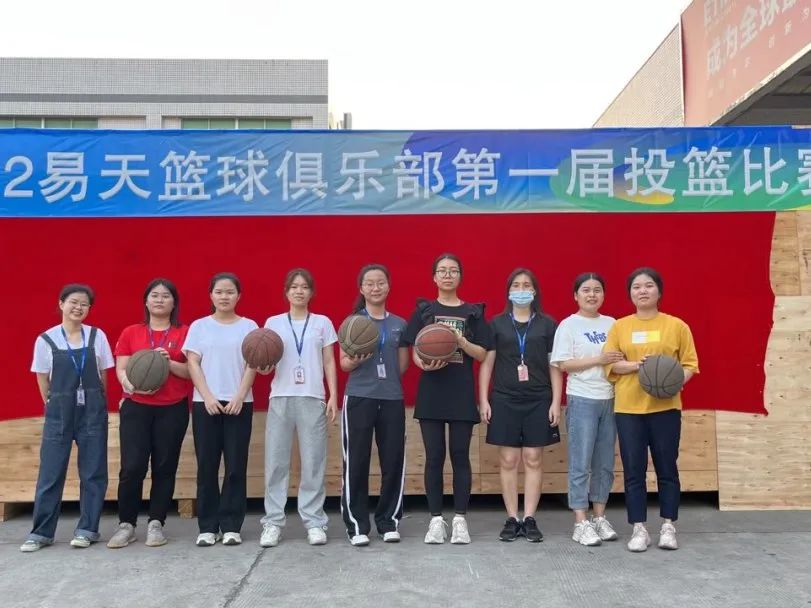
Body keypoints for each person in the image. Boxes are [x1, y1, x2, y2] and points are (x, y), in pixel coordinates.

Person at [603, 267, 699, 552]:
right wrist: (638, 366)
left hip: (665, 408)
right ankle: (639, 528)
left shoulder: (677, 326)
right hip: (629, 409)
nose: (642, 291)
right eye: (636, 287)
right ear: (630, 294)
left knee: (667, 467)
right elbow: (611, 364)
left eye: (648, 286)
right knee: (634, 470)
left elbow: (690, 365)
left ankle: (668, 525)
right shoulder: (620, 327)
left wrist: (672, 382)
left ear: (659, 291)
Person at [402, 253, 490, 545]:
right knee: (434, 456)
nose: (448, 275)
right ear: (434, 277)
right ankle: (436, 520)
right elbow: (414, 348)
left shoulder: (472, 312)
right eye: (442, 271)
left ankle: (461, 519)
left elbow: (483, 353)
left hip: (461, 391)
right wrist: (422, 363)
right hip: (432, 391)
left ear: (460, 276)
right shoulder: (425, 311)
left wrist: (462, 342)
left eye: (453, 270)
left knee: (460, 456)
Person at [21, 284, 114, 552]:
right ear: (61, 304)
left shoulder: (97, 336)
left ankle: (87, 530)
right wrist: (55, 406)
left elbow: (103, 375)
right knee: (50, 473)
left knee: (93, 472)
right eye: (73, 302)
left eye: (84, 304)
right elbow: (42, 379)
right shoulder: (46, 340)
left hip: (92, 413)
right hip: (59, 414)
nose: (78, 307)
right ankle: (41, 533)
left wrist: (98, 403)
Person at [479, 268, 561, 543]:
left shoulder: (548, 325)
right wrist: (484, 399)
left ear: (535, 291)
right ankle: (512, 518)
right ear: (509, 291)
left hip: (539, 399)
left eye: (527, 285)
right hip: (504, 399)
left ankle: (529, 518)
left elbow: (554, 366)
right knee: (509, 459)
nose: (522, 289)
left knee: (534, 458)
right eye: (516, 285)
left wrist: (556, 401)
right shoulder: (496, 324)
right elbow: (487, 364)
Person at [107, 278, 191, 549]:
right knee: (132, 467)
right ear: (146, 301)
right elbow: (121, 369)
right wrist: (132, 386)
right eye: (154, 295)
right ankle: (126, 524)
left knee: (165, 467)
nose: (159, 300)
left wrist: (169, 362)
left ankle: (156, 523)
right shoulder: (131, 332)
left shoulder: (185, 333)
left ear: (174, 303)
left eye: (165, 296)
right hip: (137, 407)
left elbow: (191, 372)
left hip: (172, 408)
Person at [260, 268, 338, 548]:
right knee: (276, 462)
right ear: (286, 291)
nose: (299, 291)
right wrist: (263, 366)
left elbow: (329, 360)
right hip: (281, 397)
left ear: (311, 292)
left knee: (314, 461)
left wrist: (333, 395)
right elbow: (266, 360)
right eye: (294, 287)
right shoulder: (273, 323)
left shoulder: (322, 323)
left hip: (312, 397)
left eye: (304, 287)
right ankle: (272, 522)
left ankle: (314, 522)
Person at [183, 272, 258, 547]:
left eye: (229, 292)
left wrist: (239, 396)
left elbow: (252, 363)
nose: (224, 296)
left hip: (240, 404)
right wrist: (207, 397)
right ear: (211, 295)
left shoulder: (249, 326)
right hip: (206, 404)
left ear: (239, 296)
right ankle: (207, 526)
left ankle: (231, 526)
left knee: (236, 467)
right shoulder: (199, 326)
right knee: (207, 466)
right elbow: (193, 363)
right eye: (219, 291)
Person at [339, 264, 409, 546]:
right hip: (359, 396)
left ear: (388, 286)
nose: (375, 287)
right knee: (356, 461)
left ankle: (388, 521)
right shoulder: (352, 322)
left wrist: (386, 379)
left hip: (391, 397)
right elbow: (343, 363)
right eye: (369, 283)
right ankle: (357, 525)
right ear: (361, 288)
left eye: (380, 282)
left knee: (393, 460)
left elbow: (402, 366)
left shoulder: (400, 324)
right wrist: (354, 361)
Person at [550, 272, 621, 546]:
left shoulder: (613, 324)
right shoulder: (568, 325)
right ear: (576, 295)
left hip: (610, 399)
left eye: (597, 290)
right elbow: (563, 364)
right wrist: (598, 359)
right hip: (582, 399)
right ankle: (580, 521)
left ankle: (599, 517)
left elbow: (619, 359)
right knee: (580, 463)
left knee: (604, 463)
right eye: (586, 290)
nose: (592, 295)